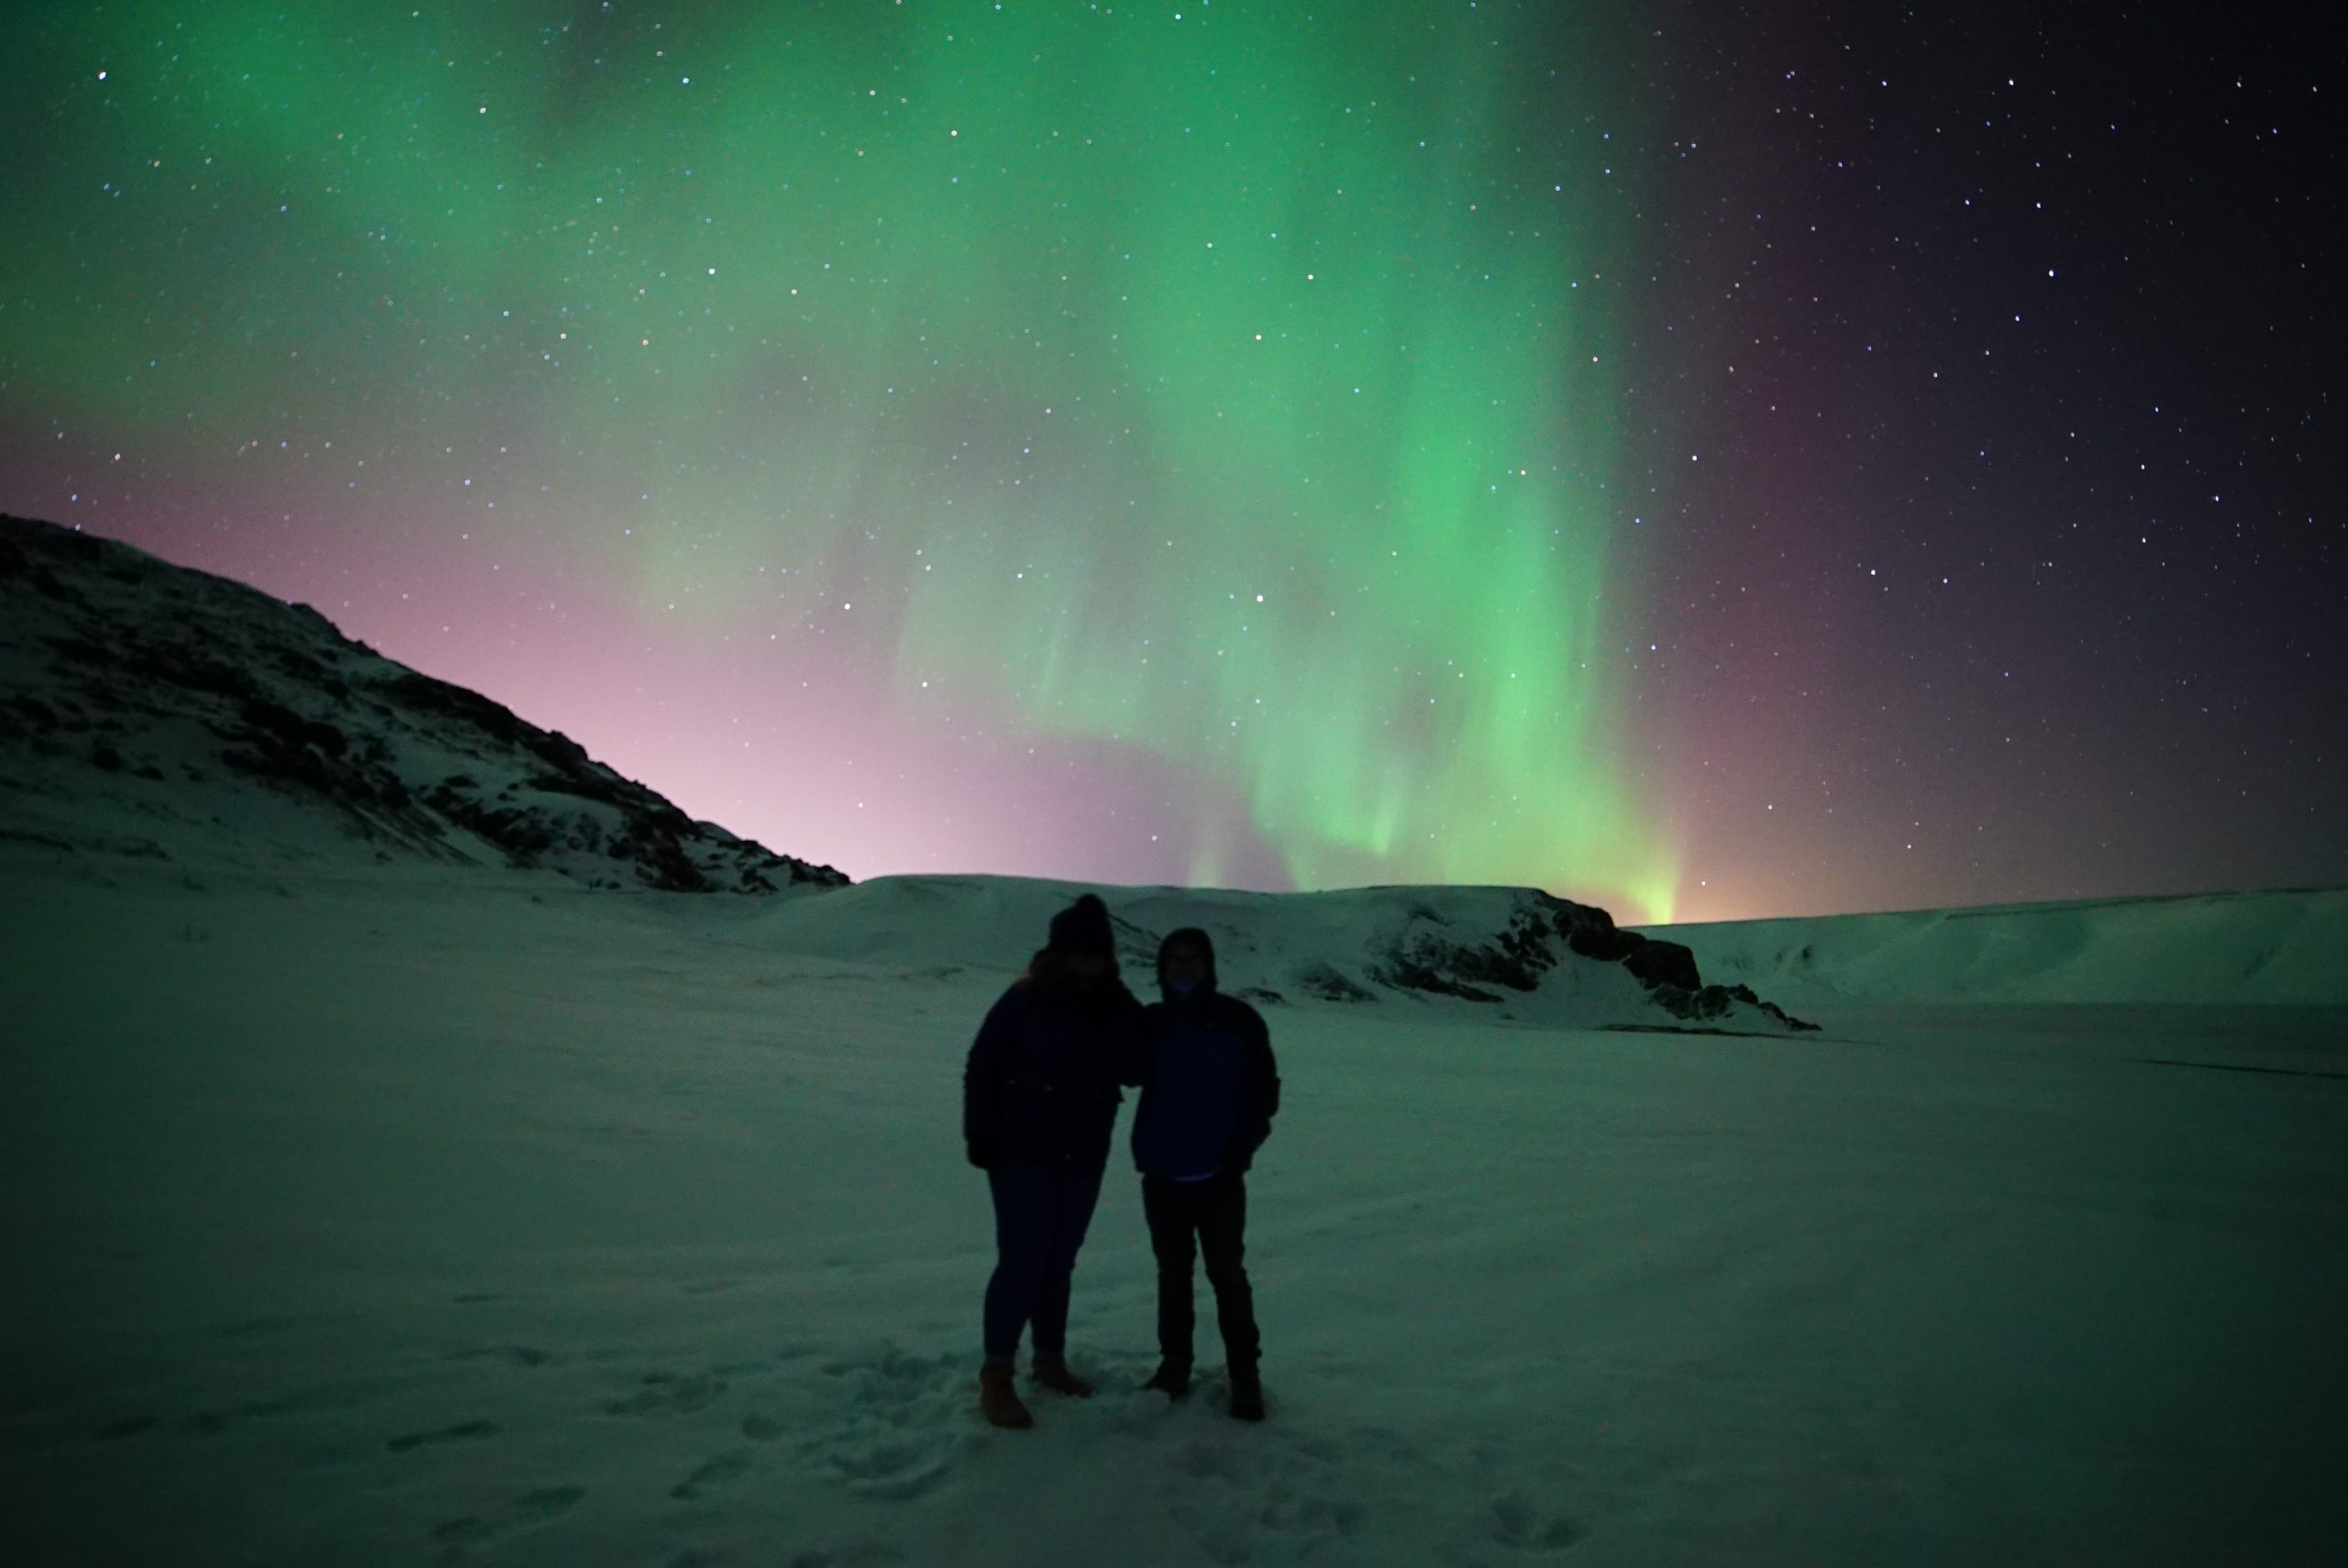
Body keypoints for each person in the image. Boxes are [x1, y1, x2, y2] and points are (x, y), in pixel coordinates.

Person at [962, 893, 1144, 1430]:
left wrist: (1125, 1015)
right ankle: (997, 1375)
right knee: (1022, 1259)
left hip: (1084, 1154)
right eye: (1080, 952)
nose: (1090, 962)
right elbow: (984, 1065)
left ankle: (1049, 1362)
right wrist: (980, 1132)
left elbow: (1137, 1069)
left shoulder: (1115, 1006)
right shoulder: (1024, 999)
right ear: (1060, 953)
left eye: (1099, 953)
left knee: (1058, 1263)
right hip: (1021, 1151)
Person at [1131, 927, 1281, 1421]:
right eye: (1174, 959)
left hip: (1218, 1177)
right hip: (1162, 1175)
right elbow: (1125, 1069)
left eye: (1193, 959)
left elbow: (1264, 1091)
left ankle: (1245, 1377)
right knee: (1173, 1277)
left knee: (1227, 1276)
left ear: (1209, 964)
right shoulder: (1152, 1023)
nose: (1184, 967)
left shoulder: (1238, 1020)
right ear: (1162, 966)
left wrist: (1240, 1149)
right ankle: (1174, 1366)